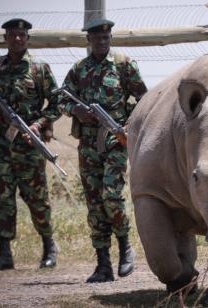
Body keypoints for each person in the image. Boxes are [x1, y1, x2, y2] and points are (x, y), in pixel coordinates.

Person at [58, 18, 147, 283]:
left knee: (111, 195)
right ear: (89, 41)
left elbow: (143, 98)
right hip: (88, 146)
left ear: (110, 39)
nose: (102, 42)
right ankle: (103, 265)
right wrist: (76, 110)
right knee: (95, 204)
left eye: (106, 38)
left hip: (115, 142)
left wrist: (127, 125)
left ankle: (125, 247)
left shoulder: (123, 65)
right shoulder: (79, 69)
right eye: (97, 39)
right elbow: (61, 97)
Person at [0, 18, 60, 271]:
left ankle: (49, 248)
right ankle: (4, 254)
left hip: (29, 146)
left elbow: (57, 105)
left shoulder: (39, 68)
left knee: (37, 198)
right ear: (5, 38)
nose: (17, 39)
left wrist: (38, 124)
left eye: (21, 35)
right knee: (3, 198)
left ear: (28, 38)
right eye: (12, 35)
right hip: (4, 145)